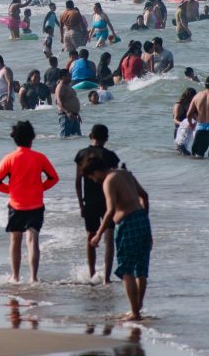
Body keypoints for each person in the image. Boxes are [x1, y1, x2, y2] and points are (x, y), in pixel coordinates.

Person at [83, 154, 151, 321]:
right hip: (142, 220)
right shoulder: (125, 173)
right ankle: (138, 308)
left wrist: (98, 234)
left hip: (127, 224)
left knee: (126, 269)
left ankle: (134, 313)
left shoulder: (108, 181)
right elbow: (145, 196)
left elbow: (111, 210)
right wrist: (145, 218)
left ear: (97, 171)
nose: (93, 180)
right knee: (140, 269)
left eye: (92, 176)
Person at [0, 121, 59, 283]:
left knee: (15, 240)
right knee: (33, 239)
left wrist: (11, 189)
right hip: (36, 204)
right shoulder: (40, 158)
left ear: (14, 139)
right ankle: (33, 277)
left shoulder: (9, 159)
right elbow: (54, 178)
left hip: (16, 205)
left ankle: (15, 276)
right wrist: (40, 188)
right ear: (32, 138)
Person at [75, 124, 120, 283]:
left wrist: (81, 205)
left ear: (90, 136)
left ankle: (92, 273)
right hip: (108, 202)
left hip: (90, 201)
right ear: (106, 138)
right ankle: (107, 278)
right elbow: (116, 181)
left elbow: (77, 182)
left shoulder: (81, 154)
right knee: (109, 239)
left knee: (90, 236)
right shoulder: (110, 156)